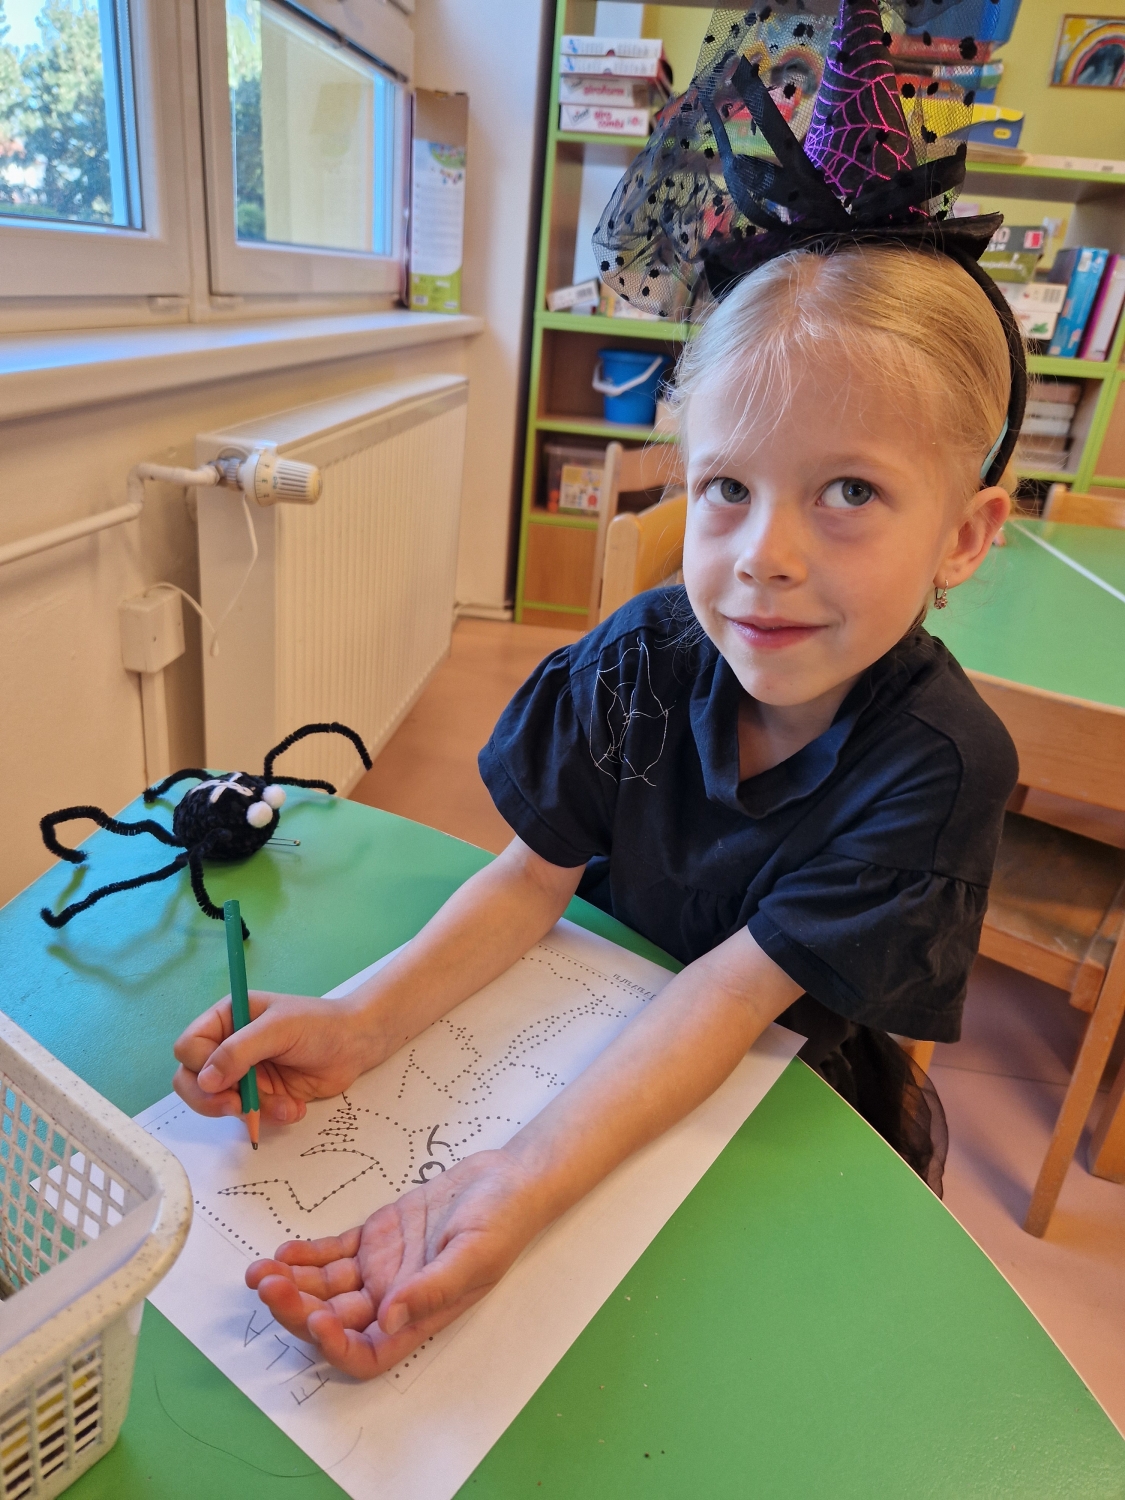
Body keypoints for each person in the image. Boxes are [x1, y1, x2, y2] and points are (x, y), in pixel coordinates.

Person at [172, 0, 1025, 1382]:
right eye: (725, 487)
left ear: (965, 535)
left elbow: (728, 1004)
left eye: (851, 492)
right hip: (571, 1018)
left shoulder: (937, 763)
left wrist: (505, 1184)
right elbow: (530, 880)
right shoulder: (635, 660)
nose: (764, 557)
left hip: (774, 1098)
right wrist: (361, 1020)